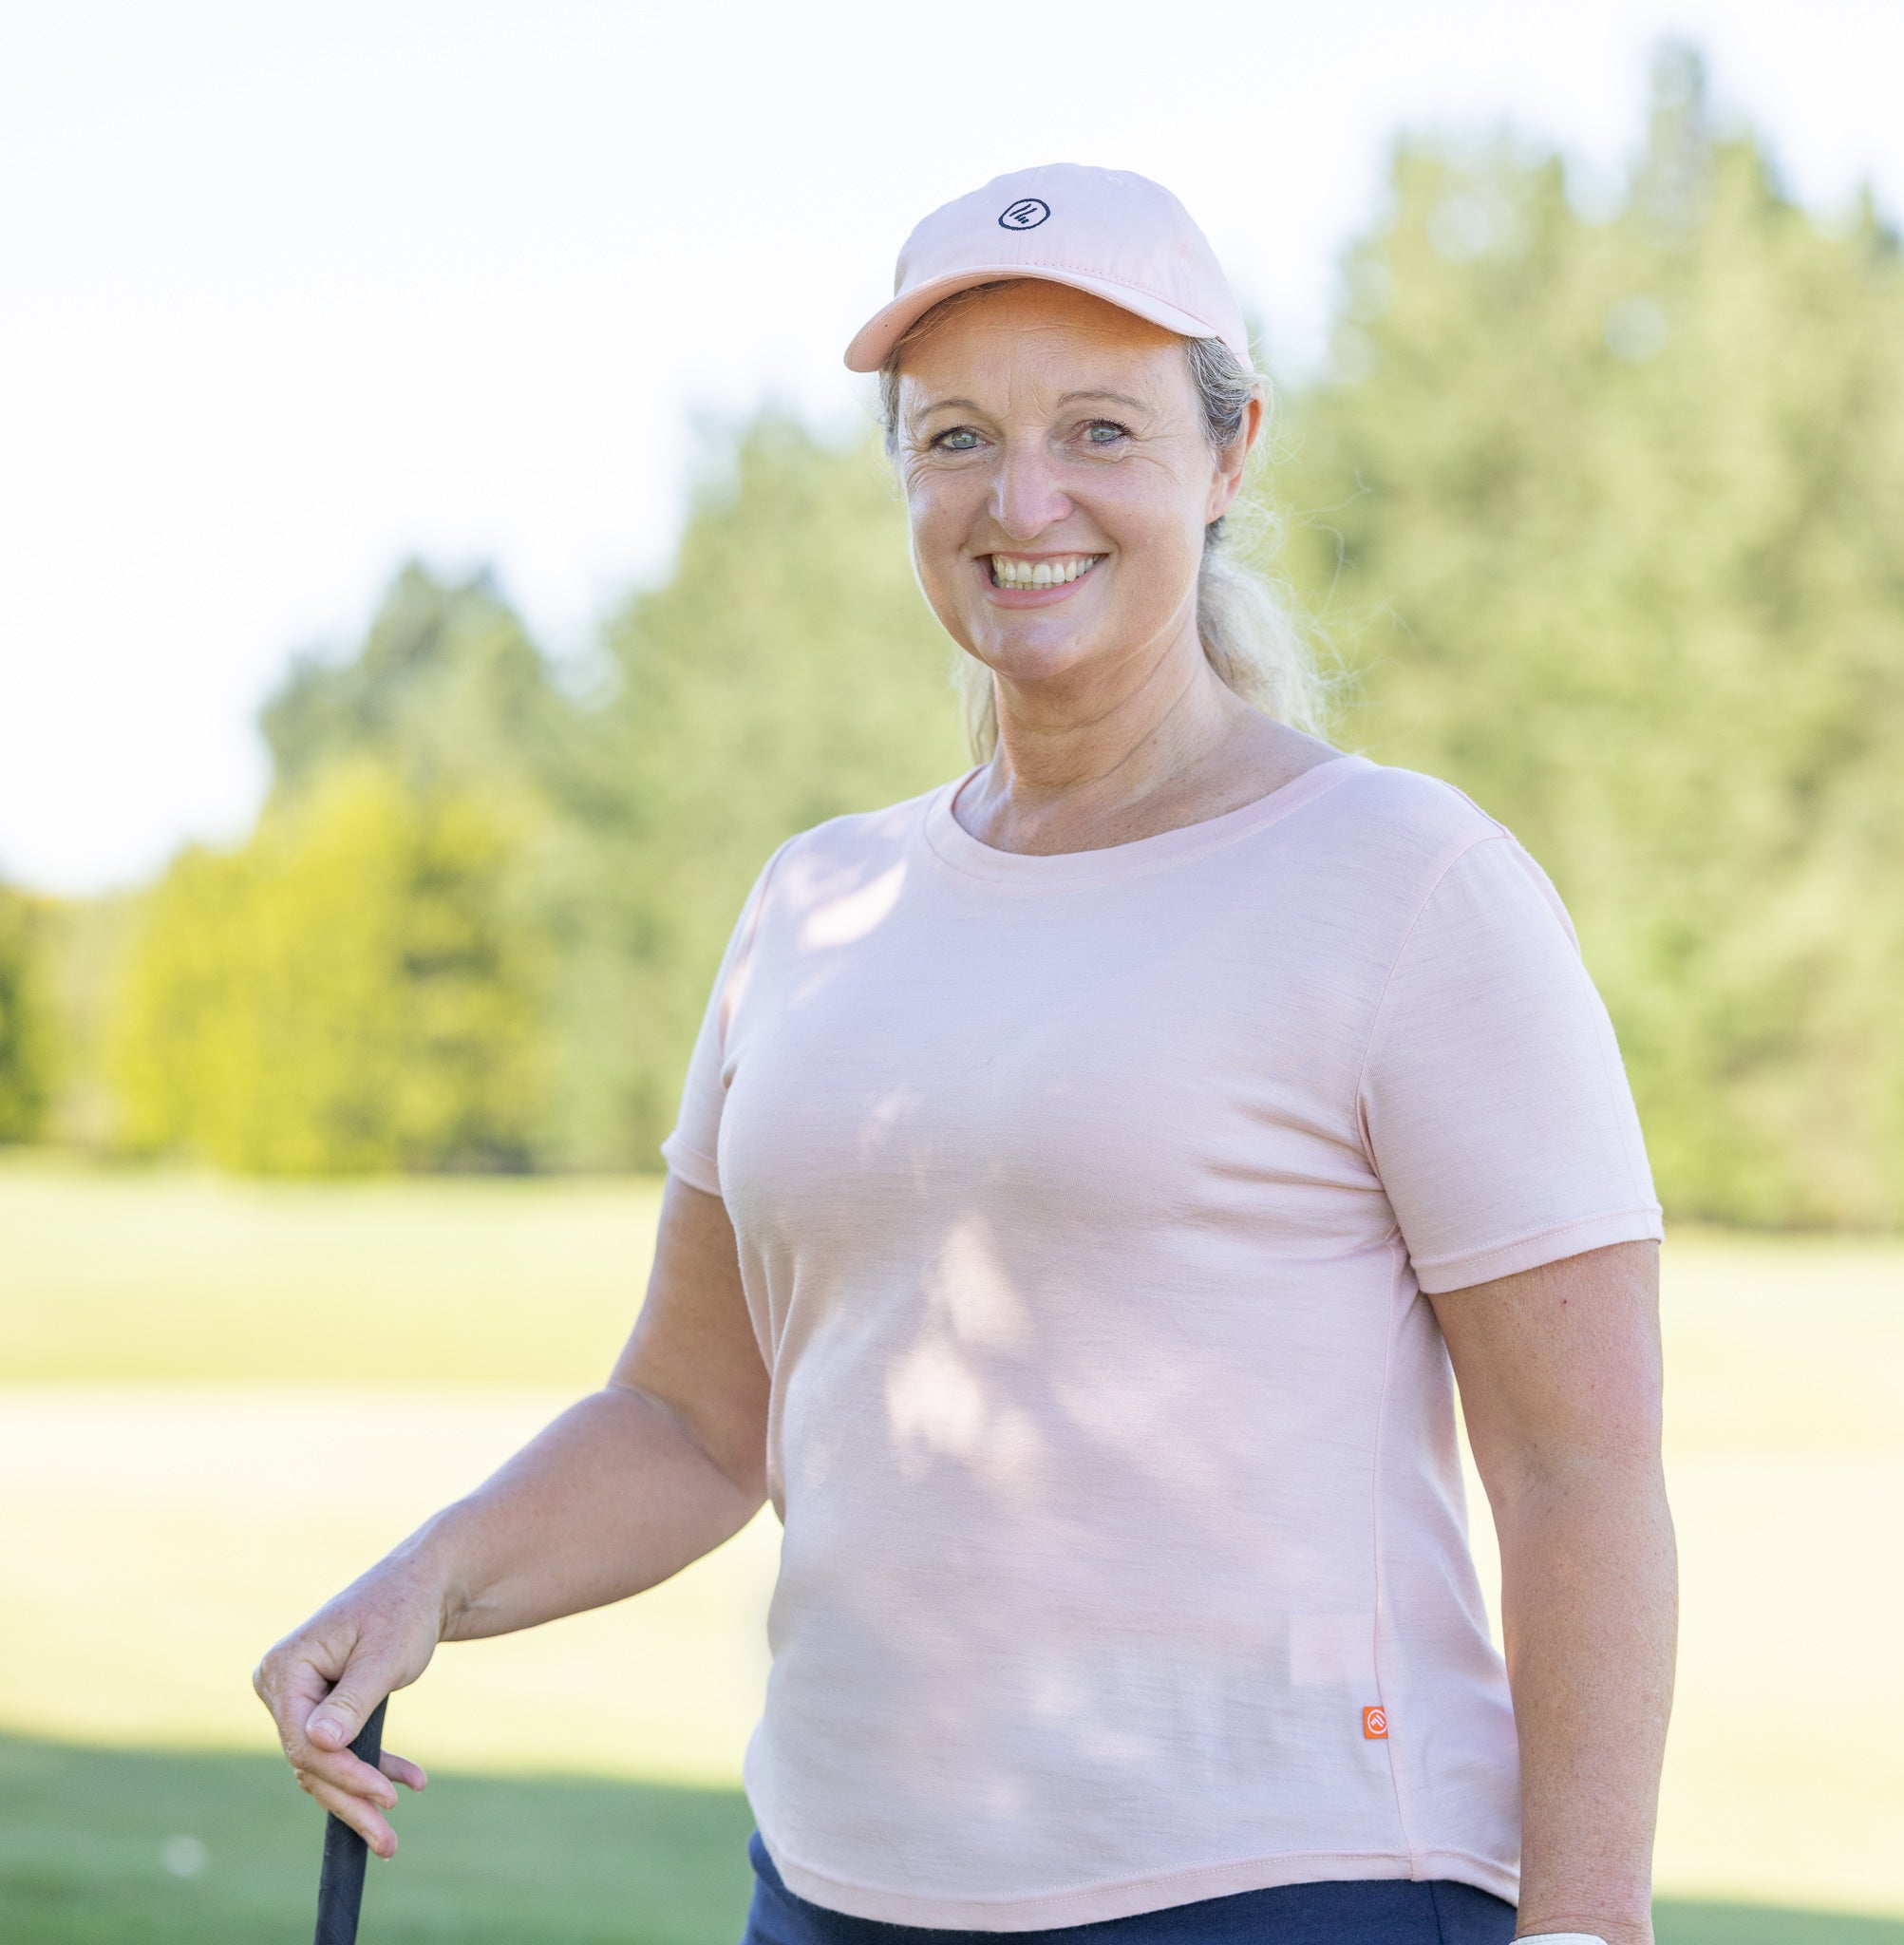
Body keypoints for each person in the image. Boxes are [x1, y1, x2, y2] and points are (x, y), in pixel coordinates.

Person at [254, 164, 1676, 1945]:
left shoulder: (1405, 882)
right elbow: (697, 1420)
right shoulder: (814, 902)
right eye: (953, 440)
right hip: (839, 1888)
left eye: (1098, 429)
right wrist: (429, 1581)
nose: (1023, 501)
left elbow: (1580, 1468)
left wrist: (1588, 1927)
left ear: (1226, 460)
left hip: (1288, 1886)